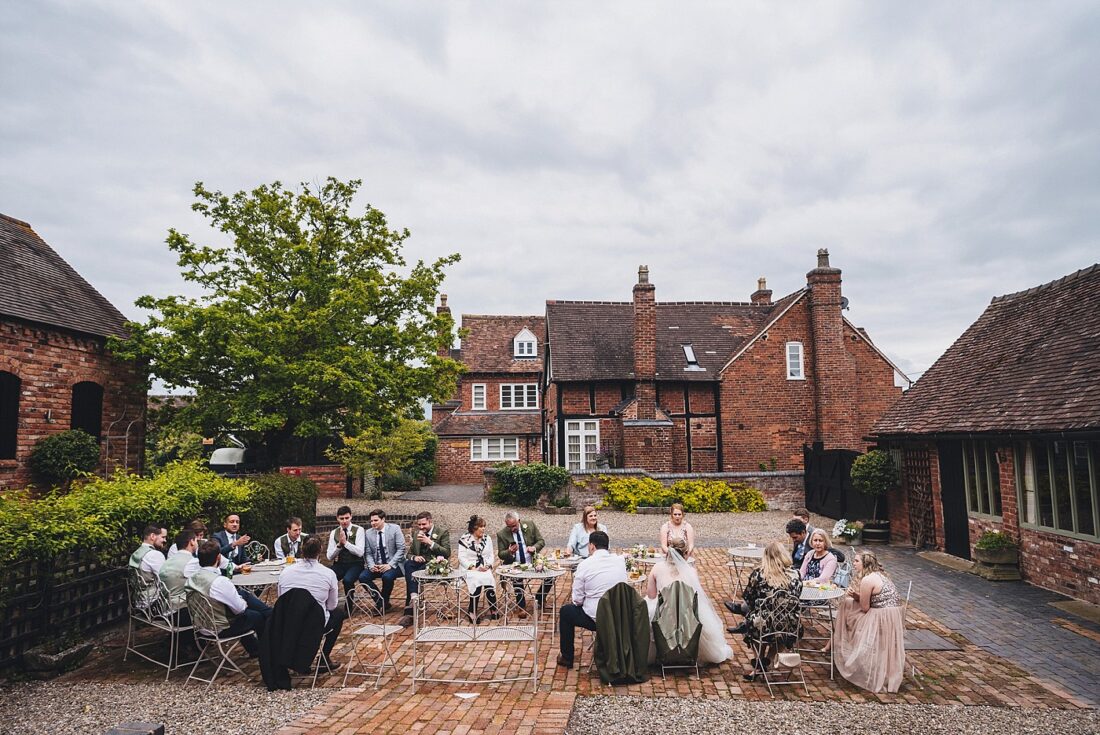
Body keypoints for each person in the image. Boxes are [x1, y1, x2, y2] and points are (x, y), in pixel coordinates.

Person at [645, 537, 731, 664]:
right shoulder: (691, 571)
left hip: (664, 616)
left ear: (668, 551)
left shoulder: (657, 568)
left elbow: (651, 596)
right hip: (686, 618)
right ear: (685, 553)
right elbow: (695, 596)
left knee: (646, 609)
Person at [831, 550, 905, 693]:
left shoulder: (867, 580)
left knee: (850, 616)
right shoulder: (880, 575)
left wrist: (856, 597)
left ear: (865, 564)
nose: (854, 563)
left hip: (882, 615)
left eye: (857, 561)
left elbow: (865, 608)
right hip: (894, 614)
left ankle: (850, 654)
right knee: (849, 606)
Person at [731, 541, 803, 680]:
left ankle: (759, 662)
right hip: (790, 624)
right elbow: (797, 596)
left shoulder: (759, 575)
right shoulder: (796, 574)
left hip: (763, 624)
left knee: (752, 623)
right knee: (780, 631)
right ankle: (767, 661)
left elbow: (749, 598)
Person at [185, 539, 270, 656]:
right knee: (257, 616)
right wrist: (242, 601)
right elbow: (240, 609)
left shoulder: (191, 579)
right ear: (218, 558)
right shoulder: (219, 581)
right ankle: (266, 653)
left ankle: (255, 648)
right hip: (219, 628)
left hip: (200, 626)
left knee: (242, 602)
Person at [557, 530, 626, 669]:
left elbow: (577, 600)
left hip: (596, 618)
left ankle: (567, 657)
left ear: (592, 546)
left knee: (565, 612)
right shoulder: (620, 561)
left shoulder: (585, 565)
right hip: (619, 615)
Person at [277, 535, 347, 669]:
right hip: (314, 624)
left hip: (288, 621)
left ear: (301, 550)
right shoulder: (328, 574)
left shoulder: (286, 571)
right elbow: (331, 605)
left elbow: (282, 600)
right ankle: (324, 658)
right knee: (338, 614)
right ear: (320, 550)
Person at [400, 511, 451, 626]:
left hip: (436, 564)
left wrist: (430, 542)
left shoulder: (442, 532)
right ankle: (414, 598)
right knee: (408, 564)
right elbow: (409, 554)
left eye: (424, 524)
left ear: (430, 521)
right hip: (420, 564)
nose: (421, 527)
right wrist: (415, 557)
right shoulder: (416, 534)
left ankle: (410, 611)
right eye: (419, 525)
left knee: (413, 575)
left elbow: (447, 552)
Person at [496, 511, 549, 615]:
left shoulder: (530, 525)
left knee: (550, 576)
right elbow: (501, 554)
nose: (512, 529)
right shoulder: (501, 534)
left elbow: (541, 541)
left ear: (519, 521)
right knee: (516, 577)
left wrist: (534, 548)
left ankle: (540, 597)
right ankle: (521, 606)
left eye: (514, 525)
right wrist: (509, 551)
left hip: (533, 561)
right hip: (515, 564)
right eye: (509, 527)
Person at [358, 509, 406, 612]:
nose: (373, 523)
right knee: (363, 577)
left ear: (383, 519)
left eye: (376, 520)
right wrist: (371, 565)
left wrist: (390, 565)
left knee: (387, 577)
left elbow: (401, 549)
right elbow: (368, 553)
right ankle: (381, 602)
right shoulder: (368, 533)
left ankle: (383, 604)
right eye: (371, 521)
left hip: (394, 564)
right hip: (377, 565)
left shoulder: (394, 529)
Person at [458, 515, 498, 622]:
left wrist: (488, 566)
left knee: (489, 579)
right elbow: (461, 557)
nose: (483, 529)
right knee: (477, 580)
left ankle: (494, 609)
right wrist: (472, 567)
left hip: (483, 567)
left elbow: (490, 555)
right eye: (481, 527)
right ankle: (472, 611)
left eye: (484, 526)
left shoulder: (487, 539)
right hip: (469, 568)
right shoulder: (464, 539)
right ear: (474, 528)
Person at [326, 506, 366, 597]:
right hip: (340, 564)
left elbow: (360, 552)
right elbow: (329, 556)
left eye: (347, 518)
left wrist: (346, 543)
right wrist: (339, 546)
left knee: (347, 580)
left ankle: (349, 604)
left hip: (356, 564)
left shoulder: (359, 530)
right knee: (327, 577)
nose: (344, 521)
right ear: (337, 518)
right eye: (342, 518)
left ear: (351, 516)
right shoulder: (334, 532)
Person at [160, 530, 200, 610]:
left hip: (164, 608)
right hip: (181, 610)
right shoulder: (192, 562)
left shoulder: (167, 561)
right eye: (196, 540)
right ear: (192, 541)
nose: (197, 543)